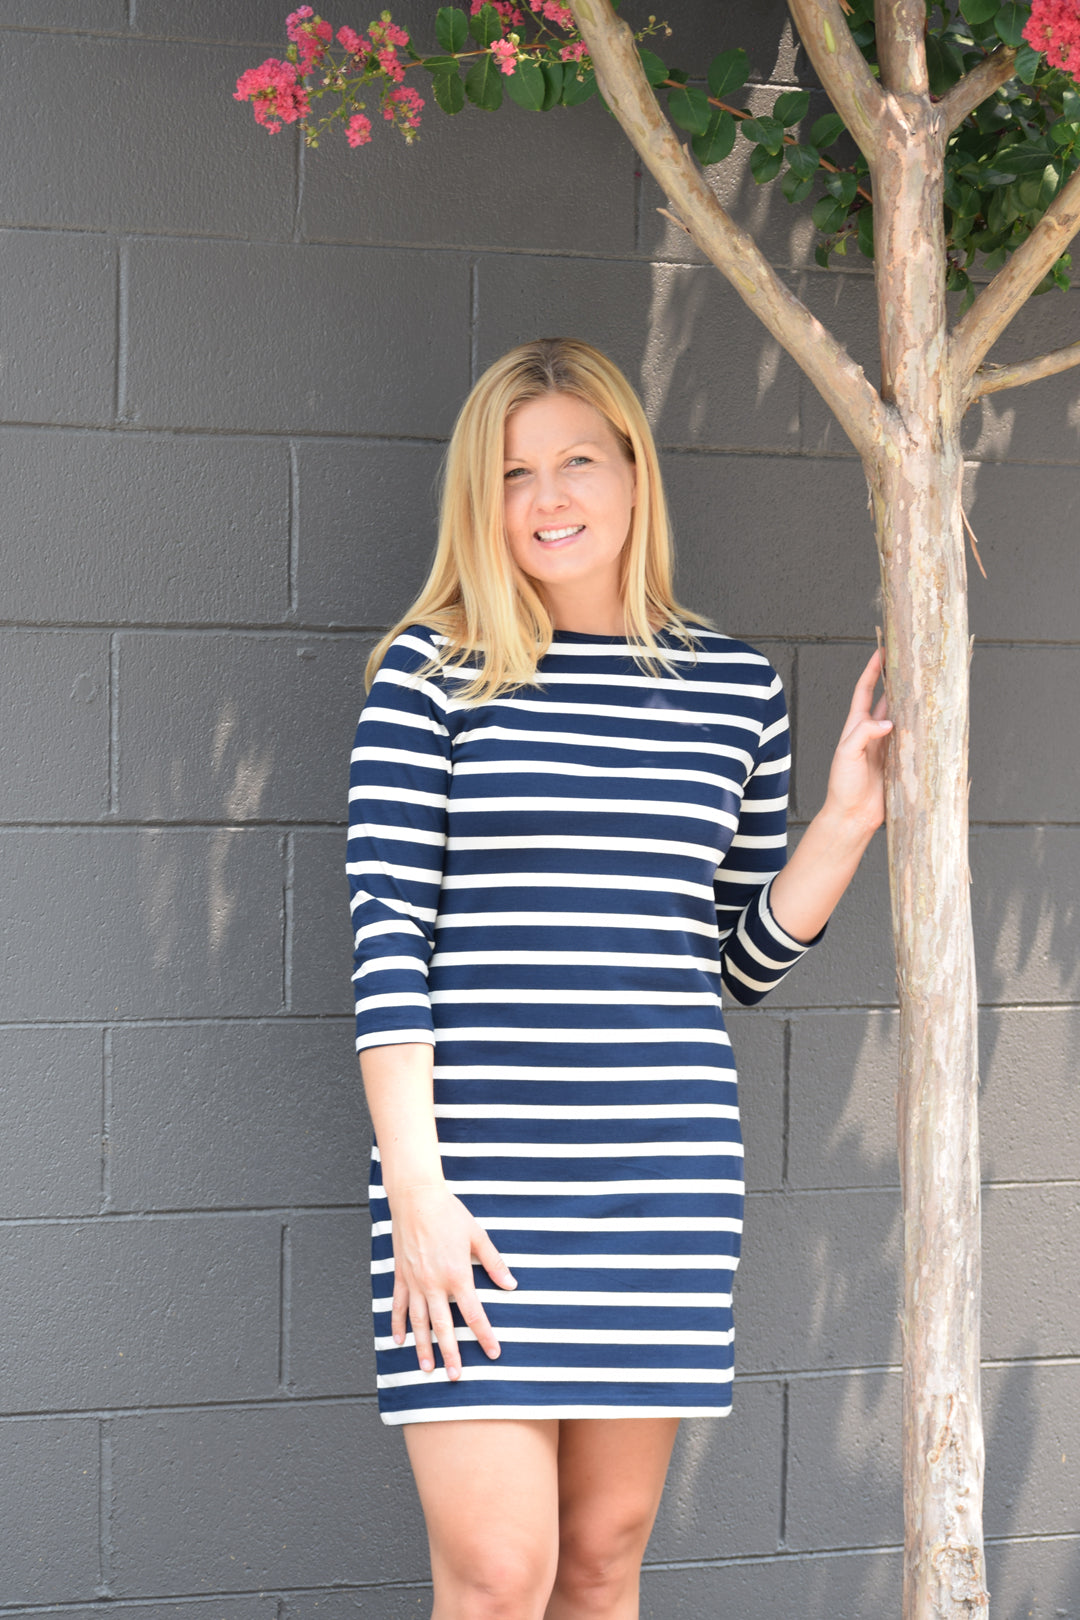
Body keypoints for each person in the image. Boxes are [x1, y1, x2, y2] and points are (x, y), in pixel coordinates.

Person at [346, 337, 891, 1620]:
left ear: (636, 473)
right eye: (513, 473)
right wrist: (416, 1188)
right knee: (499, 1575)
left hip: (660, 1179)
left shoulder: (734, 692)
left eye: (577, 460)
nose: (548, 498)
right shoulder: (431, 674)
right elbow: (386, 939)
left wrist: (845, 824)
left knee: (600, 1565)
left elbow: (736, 963)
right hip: (470, 1185)